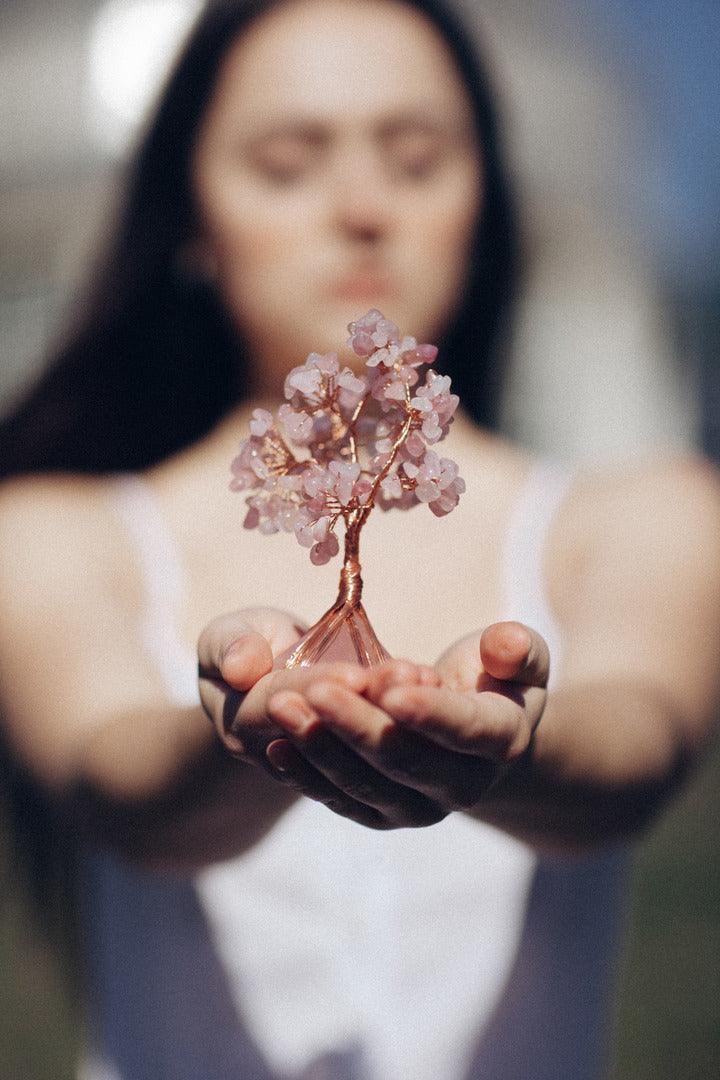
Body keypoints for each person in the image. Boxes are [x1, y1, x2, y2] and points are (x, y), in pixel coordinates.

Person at [0, 1, 718, 1078]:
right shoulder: (57, 533)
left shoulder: (639, 515)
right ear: (190, 212)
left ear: (483, 200)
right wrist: (240, 732)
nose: (363, 208)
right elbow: (121, 789)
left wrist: (513, 748)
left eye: (417, 160)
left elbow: (635, 746)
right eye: (287, 165)